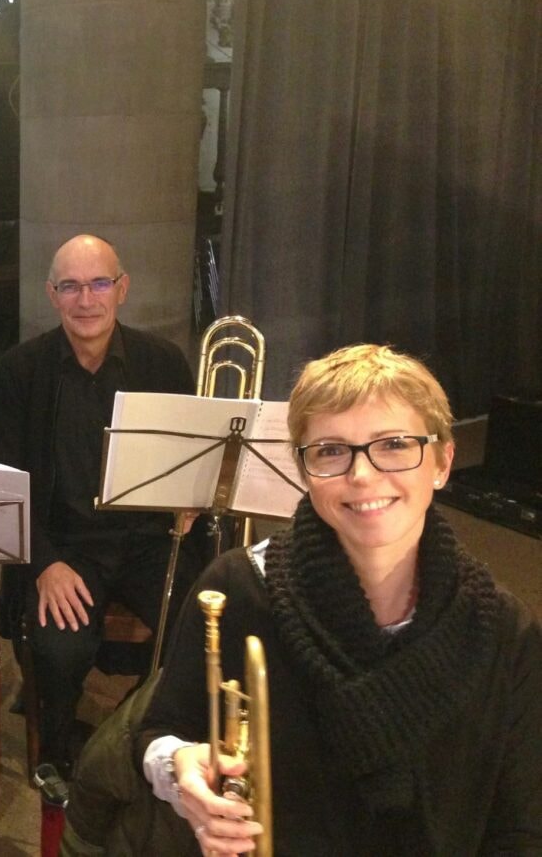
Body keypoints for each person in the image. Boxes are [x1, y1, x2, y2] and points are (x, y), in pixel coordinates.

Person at [139, 344, 542, 855]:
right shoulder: (238, 589)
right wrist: (177, 770)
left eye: (394, 444)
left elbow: (523, 827)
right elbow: (159, 730)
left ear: (442, 462)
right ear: (305, 472)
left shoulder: (505, 631)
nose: (363, 475)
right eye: (331, 450)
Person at [0, 233, 207, 776]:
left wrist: (193, 500)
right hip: (64, 546)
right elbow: (5, 485)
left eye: (100, 283)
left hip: (148, 540)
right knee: (60, 650)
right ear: (52, 294)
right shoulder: (20, 371)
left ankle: (159, 737)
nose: (87, 300)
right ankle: (57, 754)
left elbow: (193, 455)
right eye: (71, 287)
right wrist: (44, 564)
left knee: (204, 627)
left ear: (122, 288)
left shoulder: (163, 362)